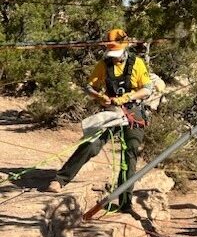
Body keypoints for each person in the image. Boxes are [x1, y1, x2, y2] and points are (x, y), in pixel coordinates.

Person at [47, 29, 152, 212]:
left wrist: (127, 97)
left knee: (130, 152)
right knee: (91, 144)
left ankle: (125, 202)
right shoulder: (103, 65)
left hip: (133, 111)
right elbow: (90, 87)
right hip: (111, 111)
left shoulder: (137, 64)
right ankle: (61, 179)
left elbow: (147, 89)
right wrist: (99, 96)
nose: (114, 58)